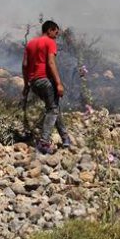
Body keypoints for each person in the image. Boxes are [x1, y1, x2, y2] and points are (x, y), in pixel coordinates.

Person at [22, 20, 71, 154]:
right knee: (52, 109)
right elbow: (50, 62)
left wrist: (26, 84)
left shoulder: (31, 43)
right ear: (49, 30)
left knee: (53, 107)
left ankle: (65, 138)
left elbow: (25, 65)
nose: (56, 35)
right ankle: (44, 141)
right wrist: (58, 83)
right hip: (45, 80)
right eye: (55, 32)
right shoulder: (50, 42)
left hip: (34, 82)